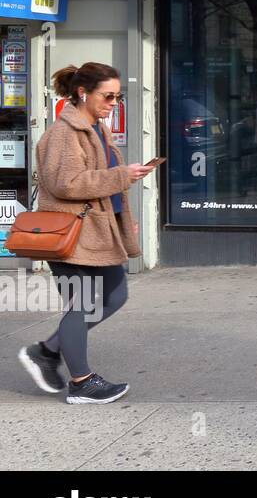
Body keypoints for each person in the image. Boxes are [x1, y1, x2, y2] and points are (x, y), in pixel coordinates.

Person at [16, 63, 154, 404]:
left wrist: (122, 221)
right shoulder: (64, 133)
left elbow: (103, 182)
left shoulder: (95, 129)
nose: (113, 103)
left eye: (117, 97)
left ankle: (47, 351)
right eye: (108, 96)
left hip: (97, 232)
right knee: (83, 303)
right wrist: (123, 175)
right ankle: (81, 382)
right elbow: (67, 183)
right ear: (83, 93)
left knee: (115, 295)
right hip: (72, 234)